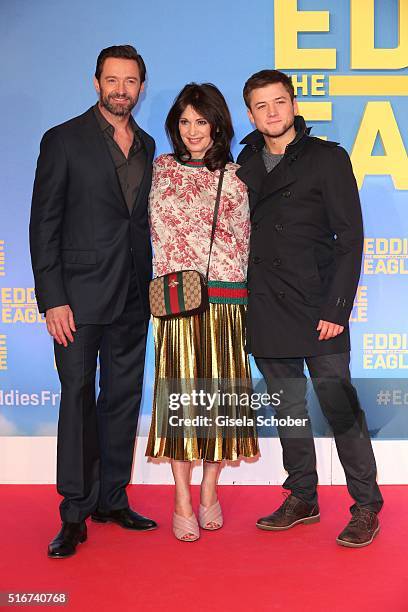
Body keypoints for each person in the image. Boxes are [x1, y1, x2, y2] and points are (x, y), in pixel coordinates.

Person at [236, 69, 383, 548]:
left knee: (340, 409)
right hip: (266, 306)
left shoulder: (327, 158)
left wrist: (336, 308)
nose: (271, 112)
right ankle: (302, 496)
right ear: (250, 113)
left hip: (320, 307)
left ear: (294, 104)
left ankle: (365, 507)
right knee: (289, 411)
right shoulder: (245, 161)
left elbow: (350, 238)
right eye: (261, 105)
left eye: (279, 102)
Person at [30, 45, 157, 559]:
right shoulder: (63, 140)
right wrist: (52, 298)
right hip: (77, 300)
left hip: (133, 294)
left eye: (130, 81)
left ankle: (112, 499)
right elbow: (44, 225)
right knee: (78, 398)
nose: (120, 89)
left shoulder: (148, 144)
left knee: (123, 398)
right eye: (112, 80)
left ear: (141, 87)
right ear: (96, 82)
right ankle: (74, 512)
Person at [146, 83, 258, 542]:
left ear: (217, 125)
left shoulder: (235, 177)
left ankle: (210, 491)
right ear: (176, 126)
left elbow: (246, 241)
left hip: (226, 303)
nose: (193, 131)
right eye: (185, 122)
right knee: (181, 404)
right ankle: (180, 498)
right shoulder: (161, 170)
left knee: (219, 404)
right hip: (175, 306)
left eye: (201, 121)